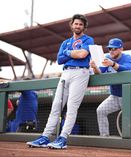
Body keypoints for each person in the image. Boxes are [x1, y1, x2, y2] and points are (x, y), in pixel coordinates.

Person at [26, 14, 94, 149]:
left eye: (81, 24)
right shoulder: (65, 42)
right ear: (72, 25)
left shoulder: (88, 39)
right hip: (66, 73)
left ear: (84, 27)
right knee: (55, 106)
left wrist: (67, 53)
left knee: (71, 108)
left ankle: (62, 138)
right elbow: (59, 60)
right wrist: (72, 53)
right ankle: (45, 137)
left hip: (81, 72)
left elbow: (82, 55)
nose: (78, 26)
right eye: (76, 24)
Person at [90, 38, 131, 136]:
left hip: (128, 96)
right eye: (110, 49)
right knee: (100, 111)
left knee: (130, 121)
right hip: (114, 96)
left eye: (114, 48)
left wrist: (113, 64)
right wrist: (94, 67)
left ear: (121, 49)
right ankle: (104, 137)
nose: (111, 51)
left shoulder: (127, 57)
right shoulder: (106, 57)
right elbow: (100, 72)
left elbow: (127, 69)